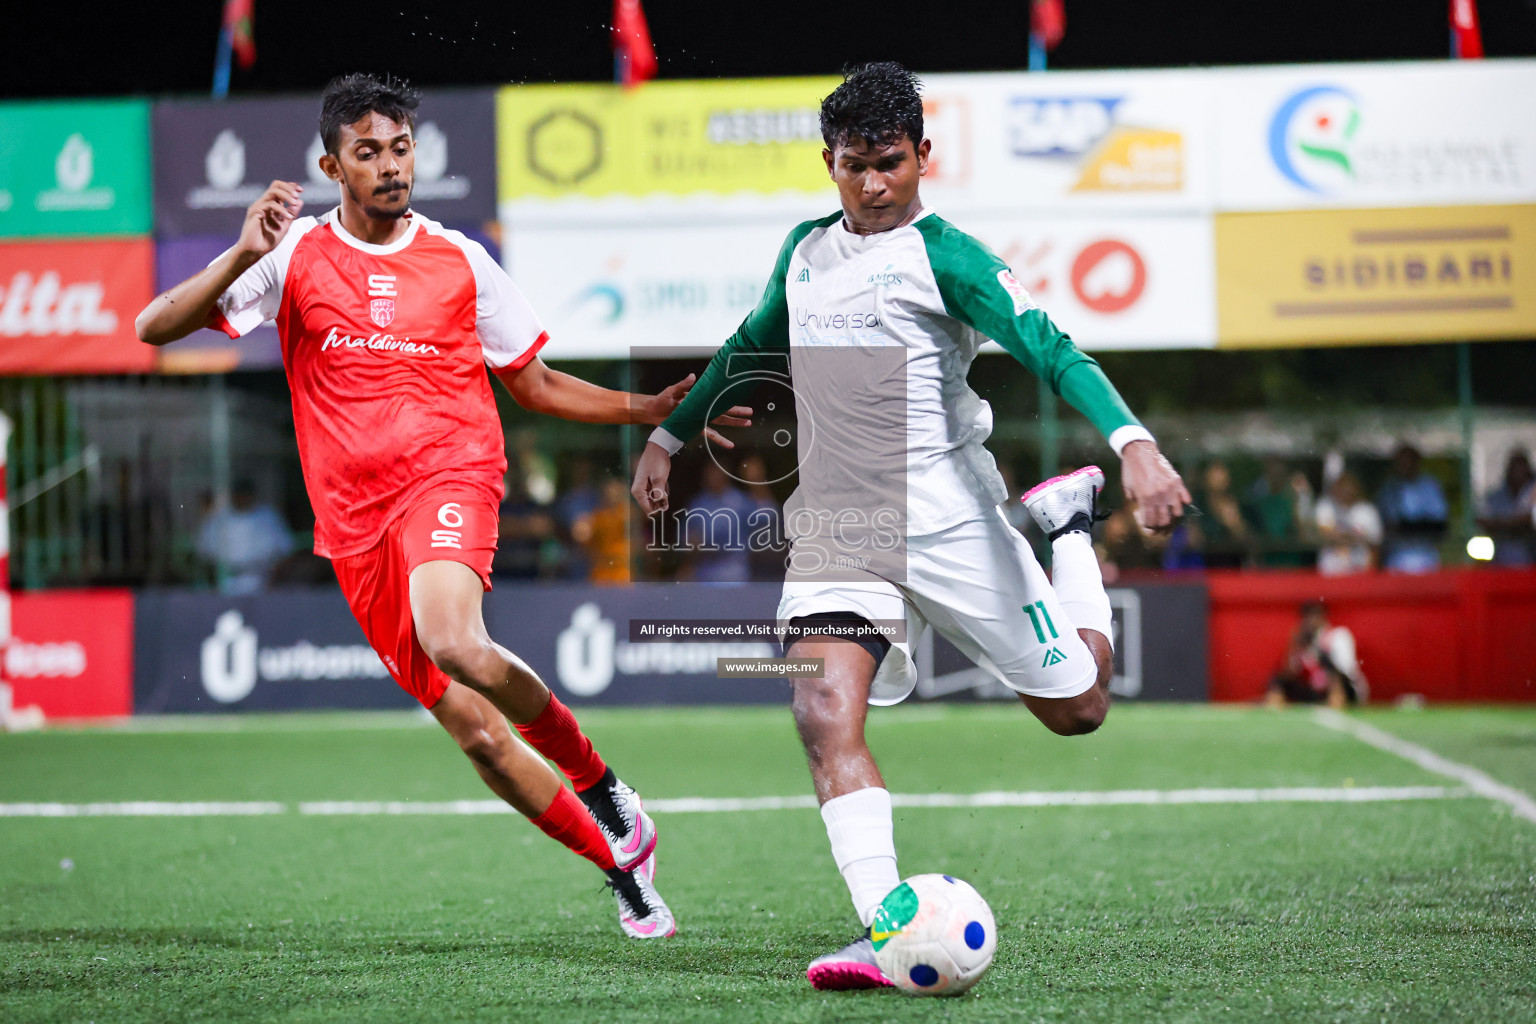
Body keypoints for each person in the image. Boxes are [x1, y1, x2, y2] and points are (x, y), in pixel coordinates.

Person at [135, 74, 744, 939]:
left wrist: (643, 409)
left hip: (450, 472)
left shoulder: (459, 258)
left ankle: (603, 786)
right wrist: (240, 255)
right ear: (332, 165)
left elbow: (530, 382)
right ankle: (620, 866)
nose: (390, 165)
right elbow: (154, 328)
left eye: (400, 148)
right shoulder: (295, 254)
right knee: (479, 736)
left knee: (456, 639)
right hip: (353, 526)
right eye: (368, 152)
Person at [629, 63, 1190, 990]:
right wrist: (668, 435)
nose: (873, 183)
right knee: (820, 708)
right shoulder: (805, 252)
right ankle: (887, 933)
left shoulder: (949, 256)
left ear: (924, 156)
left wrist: (1133, 443)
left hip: (953, 520)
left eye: (890, 162)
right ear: (829, 161)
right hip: (842, 526)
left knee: (1078, 707)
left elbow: (1050, 344)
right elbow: (750, 342)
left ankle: (1069, 526)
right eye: (854, 165)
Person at [195, 479, 298, 594]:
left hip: (262, 579)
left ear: (252, 495)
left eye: (245, 494)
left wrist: (274, 578)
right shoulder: (219, 518)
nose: (241, 498)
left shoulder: (267, 516)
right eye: (238, 494)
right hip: (226, 580)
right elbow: (204, 552)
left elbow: (286, 549)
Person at [1266, 601, 1368, 709]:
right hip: (1316, 689)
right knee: (1278, 679)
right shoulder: (1303, 641)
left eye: (1315, 615)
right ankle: (1273, 705)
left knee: (1327, 662)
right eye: (1307, 617)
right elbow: (1289, 671)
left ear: (1323, 617)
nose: (1310, 621)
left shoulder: (1338, 635)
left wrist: (1319, 650)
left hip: (1346, 688)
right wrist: (1295, 647)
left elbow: (1346, 669)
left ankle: (1337, 702)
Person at [1377, 443, 1448, 573]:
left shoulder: (1430, 486)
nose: (1405, 465)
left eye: (1409, 460)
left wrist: (1409, 526)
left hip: (1425, 555)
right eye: (1401, 461)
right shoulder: (1390, 488)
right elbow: (1386, 524)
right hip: (1396, 557)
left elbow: (1439, 524)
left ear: (1417, 462)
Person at [1313, 471, 1381, 576]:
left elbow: (1375, 544)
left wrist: (1371, 572)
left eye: (1348, 486)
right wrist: (1353, 537)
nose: (1345, 490)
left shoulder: (1367, 510)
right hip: (1331, 570)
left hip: (1360, 569)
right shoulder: (1326, 506)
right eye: (1341, 486)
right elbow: (1323, 532)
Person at [1477, 450, 1535, 567]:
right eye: (1515, 469)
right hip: (1501, 563)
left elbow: (1529, 521)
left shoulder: (1532, 491)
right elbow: (1482, 520)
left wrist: (1502, 523)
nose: (1518, 473)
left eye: (1522, 469)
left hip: (1530, 561)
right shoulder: (1496, 496)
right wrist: (1514, 524)